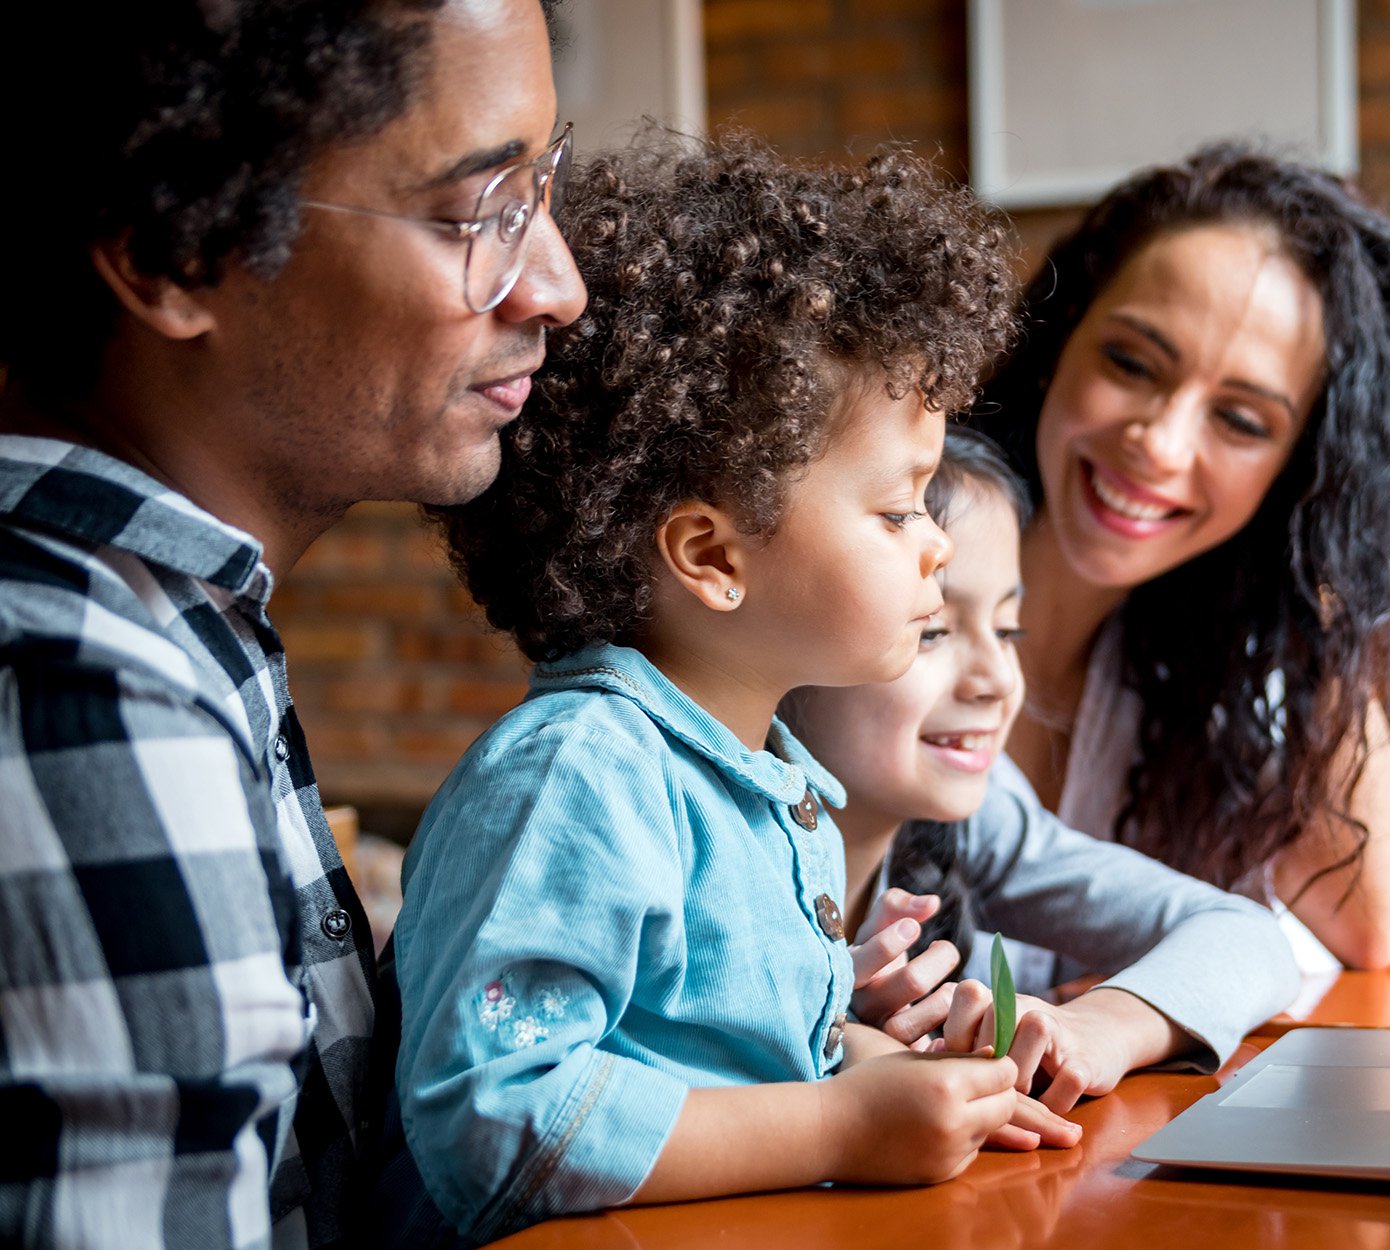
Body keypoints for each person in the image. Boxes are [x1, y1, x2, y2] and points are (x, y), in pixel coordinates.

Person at [382, 135, 1076, 1246]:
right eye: (897, 510)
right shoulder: (579, 774)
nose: (935, 549)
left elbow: (688, 1050)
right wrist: (837, 1123)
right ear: (710, 556)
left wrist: (856, 1040)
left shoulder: (757, 778)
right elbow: (495, 1117)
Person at [0, 2, 584, 1246]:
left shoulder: (187, 623)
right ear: (171, 253)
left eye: (545, 184)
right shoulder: (89, 699)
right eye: (480, 212)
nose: (558, 284)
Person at [973, 143, 1390, 976]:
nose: (1159, 445)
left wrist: (1330, 584)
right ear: (1062, 340)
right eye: (1131, 363)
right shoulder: (892, 574)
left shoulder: (1195, 673)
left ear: (1299, 473)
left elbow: (1371, 922)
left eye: (1241, 421)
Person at [784, 426, 1298, 1111]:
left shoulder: (978, 817)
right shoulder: (687, 833)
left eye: (1007, 629)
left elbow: (1248, 938)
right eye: (931, 628)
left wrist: (1095, 1028)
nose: (998, 680)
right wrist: (840, 1042)